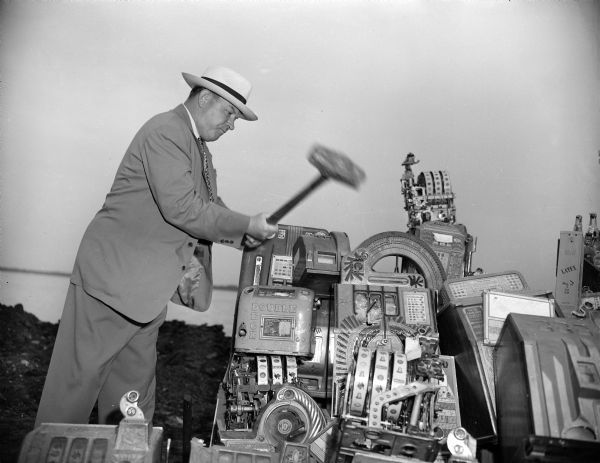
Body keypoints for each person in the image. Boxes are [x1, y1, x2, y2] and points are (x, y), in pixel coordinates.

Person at [35, 66, 279, 427]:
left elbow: (209, 205)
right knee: (72, 394)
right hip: (109, 286)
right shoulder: (166, 132)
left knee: (130, 403)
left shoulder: (197, 148)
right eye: (230, 113)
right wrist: (245, 224)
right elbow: (182, 207)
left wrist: (246, 234)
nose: (231, 125)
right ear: (205, 97)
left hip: (143, 297)